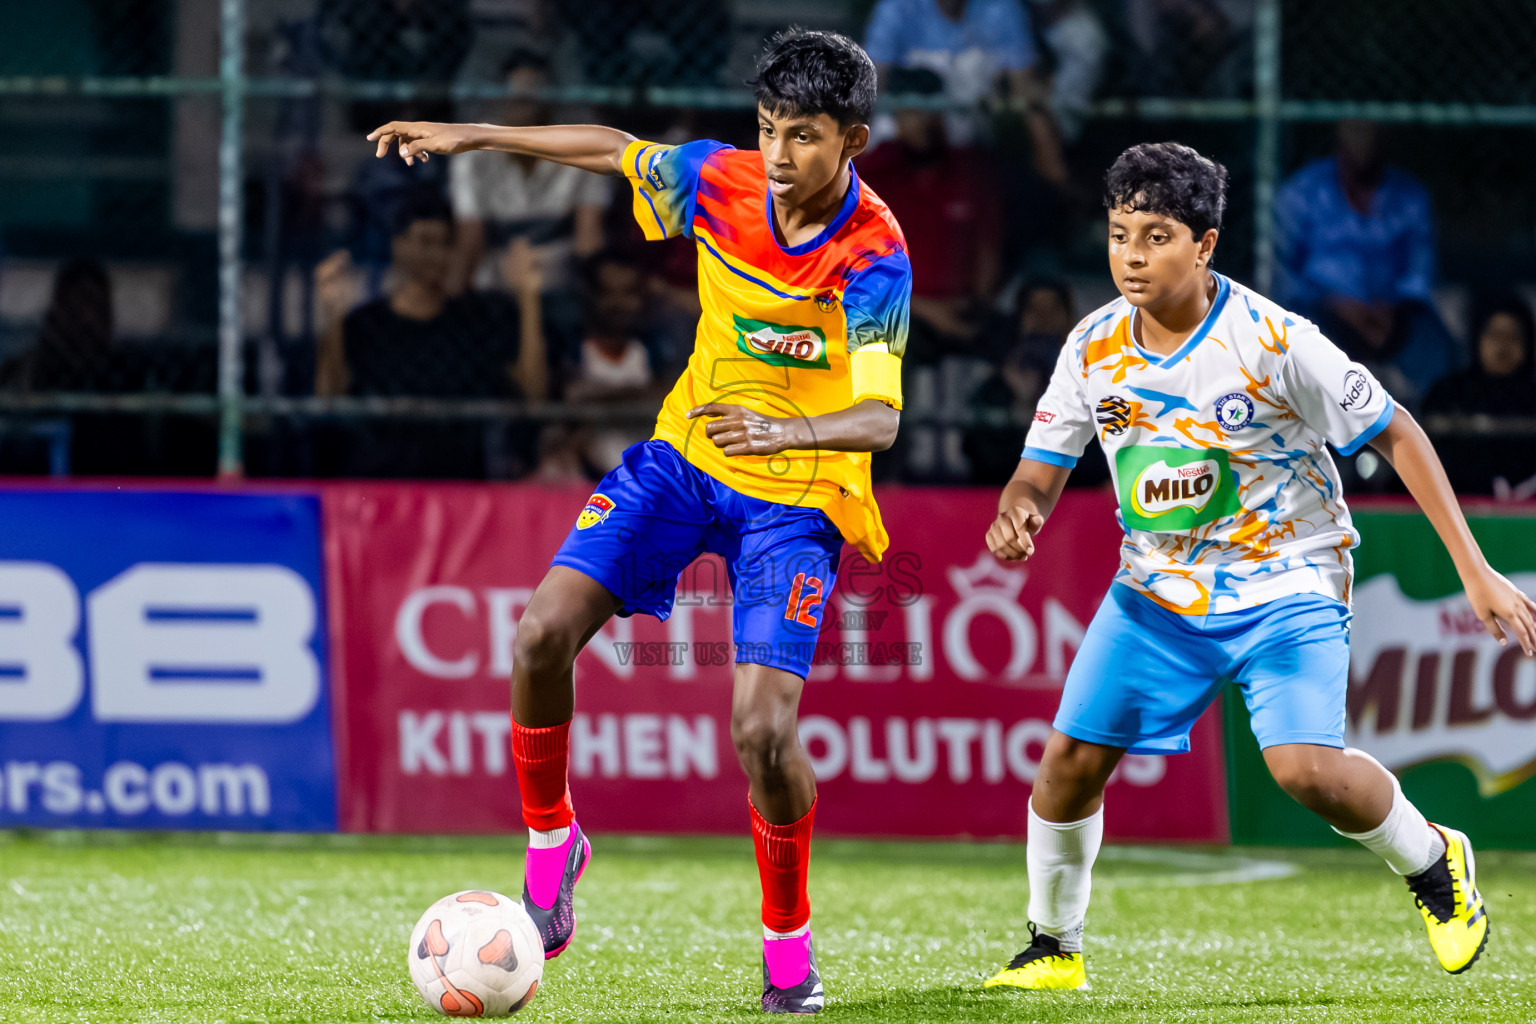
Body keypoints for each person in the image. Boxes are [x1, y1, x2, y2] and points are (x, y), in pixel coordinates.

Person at [367, 28, 911, 1014]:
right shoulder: (721, 180)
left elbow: (880, 417)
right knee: (539, 635)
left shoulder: (875, 252)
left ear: (854, 140)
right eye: (768, 128)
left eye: (804, 136)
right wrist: (472, 134)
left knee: (761, 733)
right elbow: (614, 149)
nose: (779, 155)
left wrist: (786, 428)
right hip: (684, 462)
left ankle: (788, 946)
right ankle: (552, 842)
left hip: (798, 499)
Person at [982, 142, 1533, 992]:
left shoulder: (1276, 341)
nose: (1132, 256)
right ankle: (1053, 948)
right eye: (1120, 234)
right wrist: (1020, 510)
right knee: (1067, 765)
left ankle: (1432, 859)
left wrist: (1476, 568)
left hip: (1288, 580)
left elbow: (1397, 432)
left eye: (1156, 236)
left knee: (1305, 773)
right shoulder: (1092, 346)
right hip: (1156, 592)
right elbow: (1038, 470)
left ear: (1204, 244)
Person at [315, 193, 548, 478]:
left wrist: (529, 298)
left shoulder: (477, 323)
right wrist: (331, 315)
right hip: (379, 485)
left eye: (445, 244)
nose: (435, 255)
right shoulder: (363, 325)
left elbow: (534, 392)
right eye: (425, 242)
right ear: (398, 245)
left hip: (461, 489)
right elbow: (327, 396)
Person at [1275, 120, 1460, 405]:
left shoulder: (1410, 195)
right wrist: (1340, 306)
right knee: (1301, 343)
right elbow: (1283, 273)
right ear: (1339, 133)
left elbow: (1420, 270)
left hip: (1393, 313)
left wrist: (1392, 310)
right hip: (1323, 310)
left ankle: (1424, 422)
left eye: (1373, 130)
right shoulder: (1301, 192)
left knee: (1436, 349)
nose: (1365, 141)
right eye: (1356, 130)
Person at [446, 51, 610, 298]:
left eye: (532, 98)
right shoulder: (471, 154)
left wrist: (586, 295)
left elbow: (589, 237)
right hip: (496, 279)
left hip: (562, 279)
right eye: (517, 98)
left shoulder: (584, 147)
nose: (524, 105)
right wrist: (460, 297)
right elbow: (471, 237)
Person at [1422, 295, 1536, 494]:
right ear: (1476, 338)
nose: (1503, 344)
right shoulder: (1447, 395)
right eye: (1494, 334)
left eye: (1514, 335)